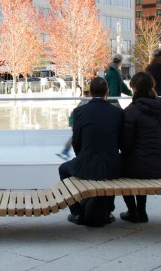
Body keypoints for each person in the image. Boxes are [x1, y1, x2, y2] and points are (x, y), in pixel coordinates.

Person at [58, 77, 123, 227]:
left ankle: (76, 211)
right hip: (112, 165)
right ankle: (107, 211)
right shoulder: (117, 112)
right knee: (109, 174)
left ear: (90, 93)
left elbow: (76, 140)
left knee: (63, 170)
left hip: (87, 163)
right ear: (107, 92)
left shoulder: (80, 111)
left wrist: (82, 156)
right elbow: (121, 140)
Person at [120, 72, 161, 223]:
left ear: (133, 88)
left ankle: (133, 211)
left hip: (137, 167)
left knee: (124, 165)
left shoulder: (131, 111)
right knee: (138, 162)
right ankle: (142, 211)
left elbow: (126, 145)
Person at [57, 87, 91, 160]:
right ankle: (66, 151)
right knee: (77, 136)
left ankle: (66, 151)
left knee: (77, 136)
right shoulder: (86, 101)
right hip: (76, 121)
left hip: (76, 121)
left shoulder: (84, 100)